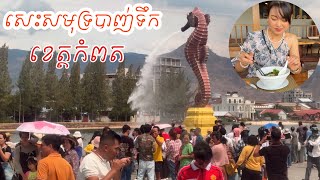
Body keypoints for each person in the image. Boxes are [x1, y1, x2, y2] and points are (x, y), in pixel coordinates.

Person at [232, 1, 301, 77]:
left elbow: (298, 70)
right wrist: (243, 63)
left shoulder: (292, 39)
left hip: (280, 83)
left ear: (290, 19)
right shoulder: (254, 37)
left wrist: (295, 68)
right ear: (267, 18)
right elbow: (237, 69)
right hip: (256, 82)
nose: (278, 24)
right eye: (274, 18)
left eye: (284, 20)